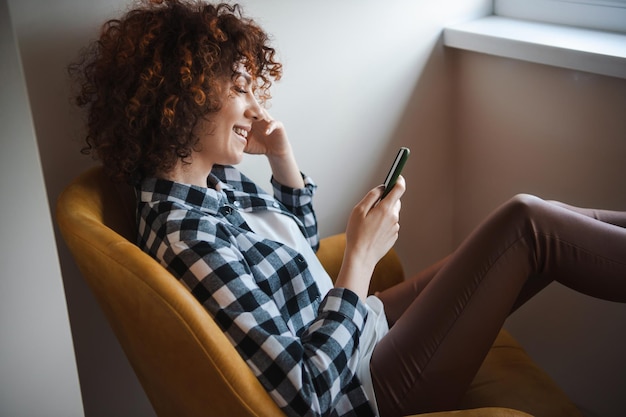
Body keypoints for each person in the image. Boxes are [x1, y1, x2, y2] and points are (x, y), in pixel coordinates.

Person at [68, 1, 626, 416]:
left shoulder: (208, 183)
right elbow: (307, 393)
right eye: (241, 88)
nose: (257, 107)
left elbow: (298, 254)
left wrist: (283, 161)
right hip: (364, 387)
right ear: (185, 98)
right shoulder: (186, 236)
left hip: (357, 331)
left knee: (533, 223)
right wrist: (358, 258)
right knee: (526, 225)